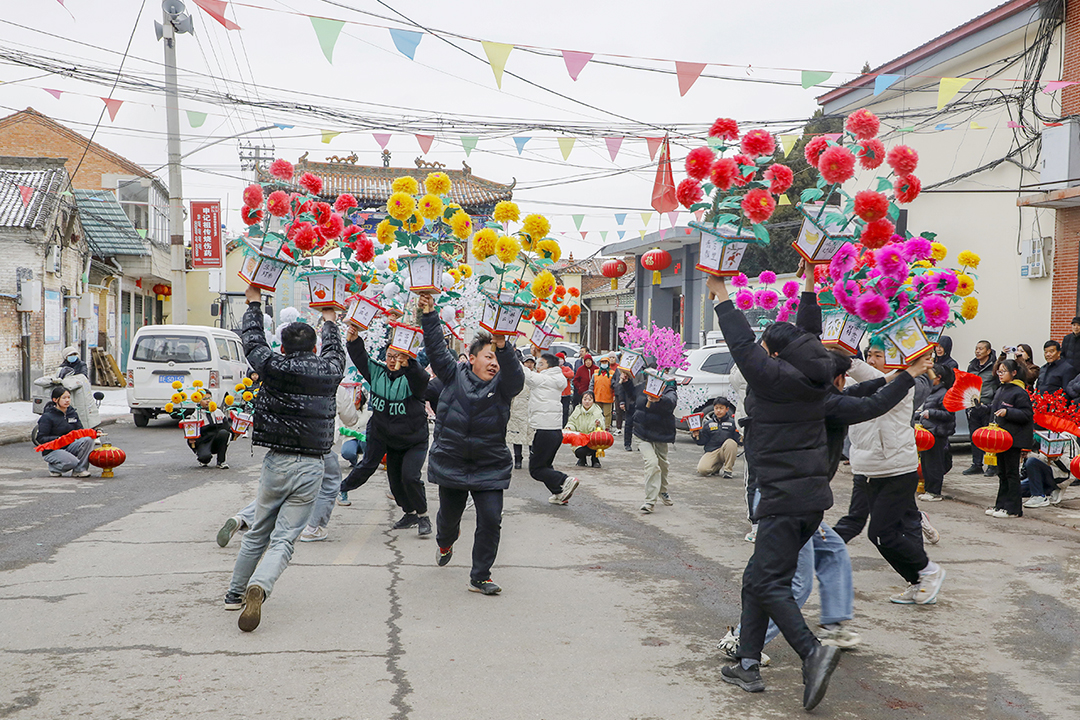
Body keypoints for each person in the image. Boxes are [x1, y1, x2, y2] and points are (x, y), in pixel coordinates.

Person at [705, 273, 839, 710]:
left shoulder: (774, 380)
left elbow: (742, 345)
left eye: (768, 348)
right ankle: (747, 664)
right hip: (807, 499)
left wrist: (722, 296)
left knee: (768, 581)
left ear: (776, 354)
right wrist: (809, 283)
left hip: (783, 497)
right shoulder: (815, 374)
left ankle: (812, 651)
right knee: (756, 579)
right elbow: (809, 333)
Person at [224, 284, 344, 632]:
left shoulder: (272, 365)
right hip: (312, 465)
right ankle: (260, 585)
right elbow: (336, 352)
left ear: (283, 347)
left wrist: (253, 304)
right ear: (314, 347)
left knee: (258, 531)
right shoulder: (329, 370)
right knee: (285, 538)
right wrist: (330, 320)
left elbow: (252, 342)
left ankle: (234, 593)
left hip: (277, 461)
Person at [418, 292, 524, 595]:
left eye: (497, 359)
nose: (494, 363)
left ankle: (480, 576)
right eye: (488, 357)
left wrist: (503, 346)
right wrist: (429, 315)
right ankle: (445, 542)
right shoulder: (453, 375)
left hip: (489, 465)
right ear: (472, 357)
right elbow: (436, 350)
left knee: (490, 519)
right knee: (448, 522)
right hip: (452, 461)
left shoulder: (504, 387)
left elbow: (516, 377)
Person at [841, 345, 946, 609]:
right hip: (866, 469)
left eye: (879, 356)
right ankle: (917, 580)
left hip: (896, 469)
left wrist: (847, 359)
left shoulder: (905, 385)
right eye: (870, 356)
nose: (872, 361)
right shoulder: (860, 384)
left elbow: (878, 382)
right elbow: (851, 384)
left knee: (883, 532)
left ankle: (929, 571)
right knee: (874, 531)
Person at [340, 325, 432, 536]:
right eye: (390, 356)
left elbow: (421, 378)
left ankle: (423, 516)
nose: (392, 360)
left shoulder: (413, 380)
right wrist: (353, 340)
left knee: (410, 477)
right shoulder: (377, 372)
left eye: (397, 356)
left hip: (414, 440)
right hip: (386, 437)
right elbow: (361, 358)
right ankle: (409, 513)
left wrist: (409, 363)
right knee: (396, 484)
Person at [621, 365, 677, 514]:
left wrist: (659, 399)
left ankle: (662, 490)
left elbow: (671, 402)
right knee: (652, 464)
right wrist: (626, 382)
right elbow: (633, 395)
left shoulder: (669, 389)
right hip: (642, 433)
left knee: (663, 465)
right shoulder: (643, 386)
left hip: (661, 434)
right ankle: (649, 501)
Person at [526, 350, 581, 502]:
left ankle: (565, 480)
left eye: (540, 364)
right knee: (545, 466)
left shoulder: (542, 379)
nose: (537, 367)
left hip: (544, 430)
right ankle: (559, 493)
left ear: (549, 367)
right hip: (555, 431)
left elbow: (522, 372)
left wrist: (505, 350)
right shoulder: (557, 378)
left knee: (536, 470)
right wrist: (538, 354)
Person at [987, 358, 1034, 518]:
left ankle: (1013, 509)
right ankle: (1000, 506)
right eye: (999, 371)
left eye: (1003, 371)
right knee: (1002, 473)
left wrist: (1008, 412)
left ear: (1014, 373)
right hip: (1000, 439)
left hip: (1012, 439)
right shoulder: (1001, 389)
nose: (1000, 374)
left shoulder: (1019, 392)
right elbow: (994, 410)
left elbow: (1027, 414)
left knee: (1011, 474)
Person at [917, 365, 955, 502]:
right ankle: (928, 489)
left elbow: (949, 414)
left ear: (938, 377)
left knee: (934, 464)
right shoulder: (930, 392)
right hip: (927, 433)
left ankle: (935, 491)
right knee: (926, 463)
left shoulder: (945, 393)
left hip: (937, 433)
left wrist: (931, 413)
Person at [36, 387, 93, 478]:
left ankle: (80, 470)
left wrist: (94, 433)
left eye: (69, 397)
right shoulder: (47, 416)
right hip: (53, 450)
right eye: (64, 398)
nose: (67, 400)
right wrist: (58, 438)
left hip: (69, 446)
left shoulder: (72, 413)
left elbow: (80, 431)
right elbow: (40, 438)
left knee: (88, 440)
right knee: (72, 462)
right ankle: (54, 468)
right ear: (55, 400)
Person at [961, 341, 999, 477]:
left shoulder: (994, 367)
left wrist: (992, 405)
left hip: (988, 406)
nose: (977, 351)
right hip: (973, 406)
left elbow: (998, 387)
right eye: (976, 348)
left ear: (988, 351)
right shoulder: (972, 365)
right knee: (974, 437)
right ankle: (977, 464)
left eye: (981, 349)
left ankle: (992, 466)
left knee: (989, 438)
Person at [693, 398, 740, 478]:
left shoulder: (733, 423)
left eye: (721, 408)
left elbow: (738, 441)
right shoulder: (708, 424)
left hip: (726, 450)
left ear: (727, 409)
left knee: (731, 443)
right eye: (716, 408)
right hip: (712, 451)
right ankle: (716, 467)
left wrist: (742, 435)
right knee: (702, 470)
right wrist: (696, 436)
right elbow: (701, 442)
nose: (718, 411)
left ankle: (728, 470)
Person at [186, 394, 232, 469]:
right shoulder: (195, 416)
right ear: (199, 401)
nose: (208, 400)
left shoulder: (218, 412)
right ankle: (202, 457)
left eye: (209, 398)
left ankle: (221, 461)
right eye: (204, 399)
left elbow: (227, 427)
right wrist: (192, 440)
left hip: (216, 440)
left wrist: (236, 432)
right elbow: (190, 434)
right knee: (205, 457)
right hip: (203, 442)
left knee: (224, 433)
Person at [564, 390, 605, 468]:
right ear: (581, 400)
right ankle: (582, 459)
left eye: (590, 399)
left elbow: (602, 426)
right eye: (585, 399)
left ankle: (595, 459)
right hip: (580, 438)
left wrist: (598, 424)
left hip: (592, 439)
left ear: (593, 401)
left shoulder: (597, 411)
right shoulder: (577, 410)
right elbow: (572, 422)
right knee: (579, 451)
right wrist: (569, 427)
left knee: (598, 440)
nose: (587, 402)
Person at [506, 357, 534, 470]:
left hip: (531, 410)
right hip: (518, 410)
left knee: (532, 436)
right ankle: (518, 458)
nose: (529, 364)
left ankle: (532, 458)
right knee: (517, 436)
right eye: (527, 362)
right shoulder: (517, 377)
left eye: (531, 363)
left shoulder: (536, 377)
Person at [590, 355, 617, 430]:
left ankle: (607, 428)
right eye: (602, 362)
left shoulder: (612, 373)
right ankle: (596, 427)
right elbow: (591, 384)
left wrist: (614, 395)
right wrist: (590, 394)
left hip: (608, 397)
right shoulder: (595, 373)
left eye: (605, 362)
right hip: (597, 397)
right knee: (596, 414)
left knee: (607, 414)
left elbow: (615, 386)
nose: (604, 364)